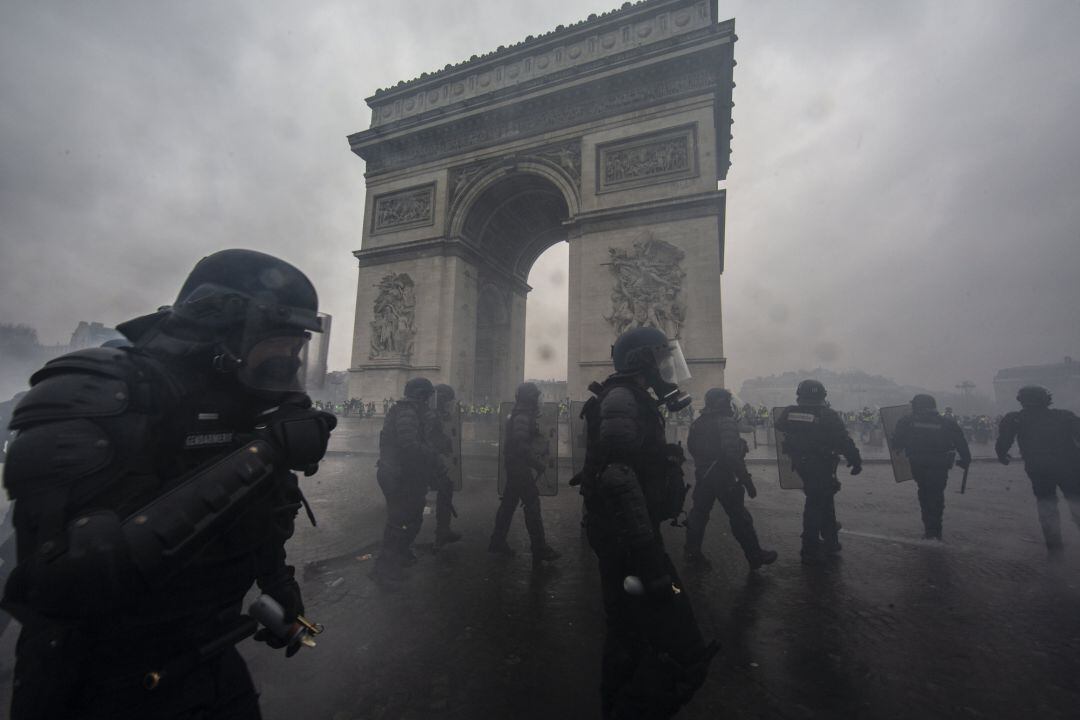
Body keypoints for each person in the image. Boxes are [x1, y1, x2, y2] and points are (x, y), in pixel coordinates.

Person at [1, 249, 336, 720]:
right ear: (222, 331)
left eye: (295, 349)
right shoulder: (96, 394)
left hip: (211, 658)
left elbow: (263, 510)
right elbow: (72, 582)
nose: (288, 363)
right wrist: (265, 455)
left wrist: (278, 584)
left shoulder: (249, 402)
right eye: (278, 345)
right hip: (95, 684)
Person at [579, 326, 717, 719]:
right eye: (662, 357)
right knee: (644, 628)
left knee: (633, 627)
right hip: (630, 540)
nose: (669, 366)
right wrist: (648, 553)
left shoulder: (630, 396)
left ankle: (624, 702)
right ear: (642, 361)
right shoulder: (623, 398)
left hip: (628, 534)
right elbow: (617, 476)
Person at [684, 388, 778, 571]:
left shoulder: (698, 423)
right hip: (723, 476)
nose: (729, 404)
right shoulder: (725, 422)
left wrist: (704, 463)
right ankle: (755, 555)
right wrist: (746, 479)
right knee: (739, 517)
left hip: (704, 475)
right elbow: (732, 456)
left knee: (699, 515)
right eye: (727, 401)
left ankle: (692, 553)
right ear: (721, 403)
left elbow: (692, 447)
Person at [774, 380, 862, 565]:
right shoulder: (828, 414)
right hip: (822, 464)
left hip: (800, 463)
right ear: (822, 396)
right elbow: (843, 440)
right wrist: (855, 461)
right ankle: (810, 545)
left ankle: (830, 538)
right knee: (816, 501)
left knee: (824, 497)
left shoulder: (790, 412)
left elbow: (780, 426)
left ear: (800, 395)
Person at [996, 385, 1080, 558]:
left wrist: (1003, 455)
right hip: (1070, 467)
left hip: (1039, 468)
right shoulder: (1064, 416)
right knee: (1076, 502)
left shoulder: (1015, 419)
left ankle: (1055, 549)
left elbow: (1004, 441)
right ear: (1046, 399)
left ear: (1022, 400)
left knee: (1046, 505)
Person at [372, 377, 440, 586]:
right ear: (421, 395)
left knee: (412, 516)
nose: (430, 400)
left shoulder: (414, 412)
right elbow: (408, 445)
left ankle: (399, 555)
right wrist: (432, 455)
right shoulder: (407, 413)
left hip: (404, 473)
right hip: (398, 474)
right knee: (398, 521)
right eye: (428, 396)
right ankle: (384, 569)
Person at [488, 382, 560, 565]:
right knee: (532, 504)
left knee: (508, 505)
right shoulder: (522, 416)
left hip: (515, 466)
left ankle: (497, 541)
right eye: (535, 396)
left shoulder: (520, 414)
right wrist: (537, 463)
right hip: (519, 467)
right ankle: (539, 548)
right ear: (530, 398)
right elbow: (520, 445)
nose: (538, 400)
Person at [891, 394, 971, 540]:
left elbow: (896, 443)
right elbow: (961, 443)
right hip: (940, 463)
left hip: (918, 463)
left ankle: (929, 528)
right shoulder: (946, 422)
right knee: (936, 495)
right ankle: (936, 529)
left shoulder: (907, 421)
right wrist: (965, 460)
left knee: (924, 492)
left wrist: (896, 441)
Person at [428, 383, 462, 550]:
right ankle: (396, 554)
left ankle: (443, 531)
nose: (450, 405)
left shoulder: (433, 414)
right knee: (411, 504)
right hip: (420, 463)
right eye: (447, 401)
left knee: (446, 486)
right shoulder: (430, 416)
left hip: (426, 461)